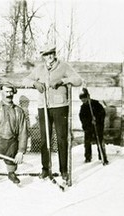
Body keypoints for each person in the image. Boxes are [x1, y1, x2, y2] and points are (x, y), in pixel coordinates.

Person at [23, 44, 82, 181]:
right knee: (45, 139)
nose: (49, 57)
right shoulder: (39, 69)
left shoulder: (64, 66)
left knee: (61, 138)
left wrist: (63, 81)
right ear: (43, 56)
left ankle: (63, 170)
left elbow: (78, 80)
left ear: (55, 54)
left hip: (60, 106)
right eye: (46, 54)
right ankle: (45, 169)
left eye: (51, 53)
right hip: (43, 106)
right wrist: (34, 84)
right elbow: (25, 79)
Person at [79, 89, 108, 164]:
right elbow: (82, 117)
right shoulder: (83, 107)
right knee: (87, 142)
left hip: (97, 126)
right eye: (82, 99)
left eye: (84, 99)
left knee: (100, 141)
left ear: (88, 97)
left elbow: (102, 113)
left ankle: (102, 157)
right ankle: (88, 157)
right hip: (88, 127)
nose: (83, 101)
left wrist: (97, 119)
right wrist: (89, 122)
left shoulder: (96, 104)